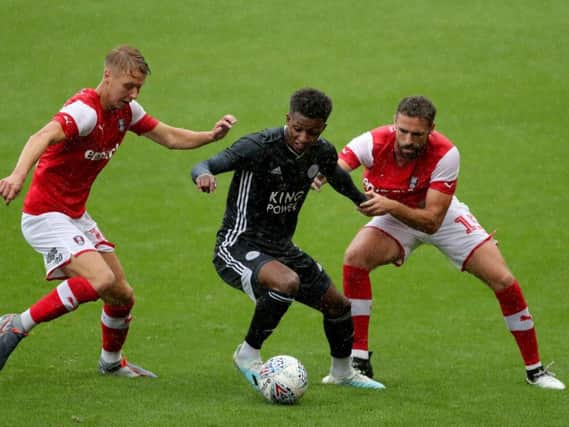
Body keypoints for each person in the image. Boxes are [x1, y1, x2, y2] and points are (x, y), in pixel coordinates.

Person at [0, 45, 237, 377]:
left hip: (74, 215)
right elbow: (42, 135)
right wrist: (17, 174)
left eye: (139, 86)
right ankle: (15, 326)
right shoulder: (85, 112)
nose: (134, 93)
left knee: (122, 295)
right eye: (129, 85)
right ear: (107, 76)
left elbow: (168, 137)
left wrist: (211, 136)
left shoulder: (127, 111)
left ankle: (110, 363)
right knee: (100, 279)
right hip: (45, 215)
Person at [313, 95, 565, 390]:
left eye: (417, 134)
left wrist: (390, 206)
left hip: (440, 217)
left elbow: (431, 221)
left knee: (503, 279)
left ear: (431, 129)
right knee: (355, 258)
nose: (407, 140)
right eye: (402, 131)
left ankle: (535, 370)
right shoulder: (372, 142)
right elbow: (339, 166)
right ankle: (358, 360)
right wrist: (323, 176)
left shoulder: (446, 154)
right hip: (392, 215)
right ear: (394, 122)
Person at [190, 88, 385, 391]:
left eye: (313, 131)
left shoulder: (321, 151)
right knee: (286, 283)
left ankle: (342, 372)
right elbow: (205, 164)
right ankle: (248, 354)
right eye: (298, 129)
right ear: (288, 119)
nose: (304, 138)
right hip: (239, 245)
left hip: (281, 247)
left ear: (323, 128)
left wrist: (359, 200)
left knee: (338, 306)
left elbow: (334, 174)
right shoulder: (258, 146)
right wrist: (204, 175)